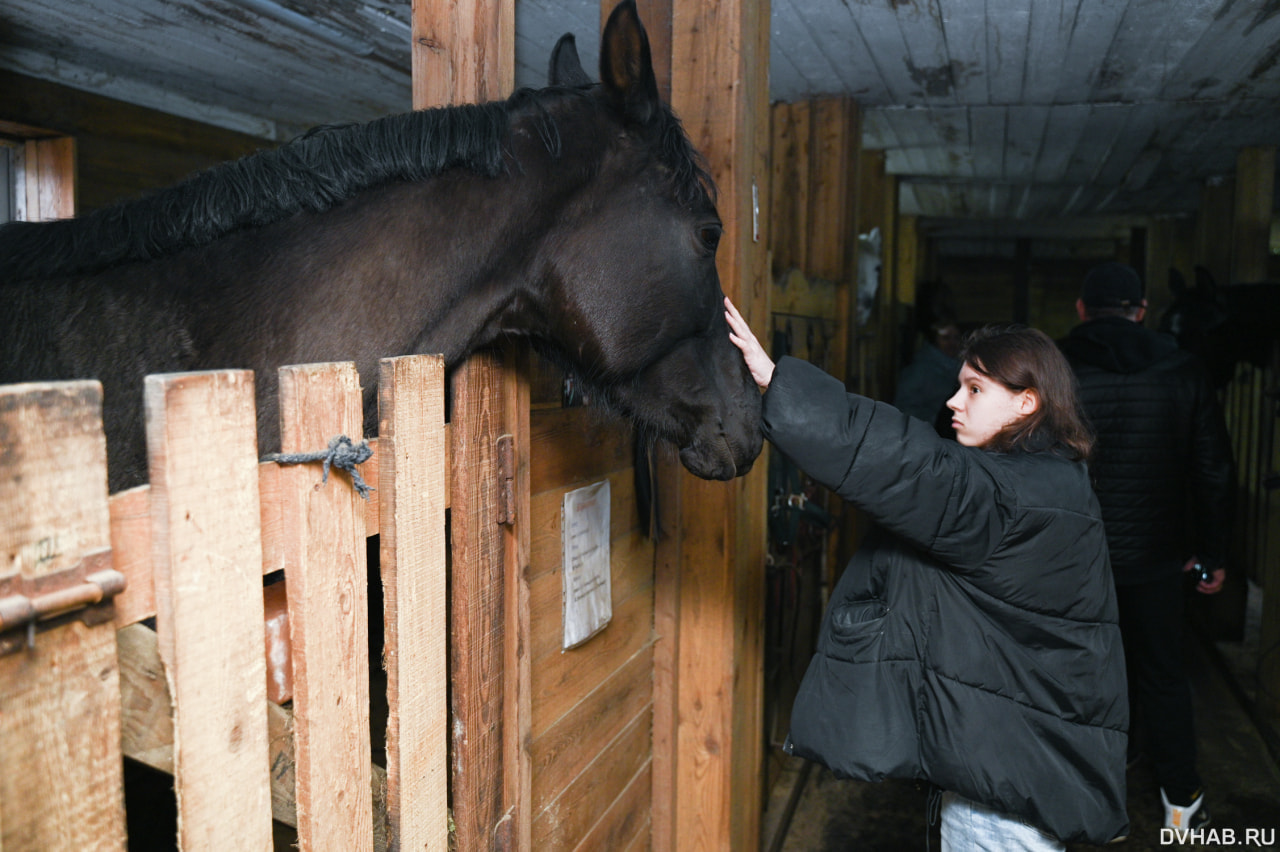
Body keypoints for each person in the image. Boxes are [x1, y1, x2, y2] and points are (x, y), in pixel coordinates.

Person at [725, 297, 1129, 848]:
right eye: (960, 385)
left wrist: (781, 385)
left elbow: (912, 465)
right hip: (1019, 763)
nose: (953, 401)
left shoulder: (1010, 495)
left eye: (975, 390)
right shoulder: (1050, 477)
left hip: (1004, 796)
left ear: (1026, 403)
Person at [1060, 261, 1235, 832]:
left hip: (1071, 560)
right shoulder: (1184, 371)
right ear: (1139, 310)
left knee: (1071, 671)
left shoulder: (1055, 366)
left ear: (1083, 310)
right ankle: (1180, 803)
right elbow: (1213, 471)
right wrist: (1212, 552)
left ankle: (1069, 794)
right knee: (1162, 674)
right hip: (1158, 558)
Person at [893, 313, 962, 435]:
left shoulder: (962, 368)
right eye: (946, 338)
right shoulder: (919, 370)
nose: (952, 343)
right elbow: (904, 409)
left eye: (956, 338)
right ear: (935, 340)